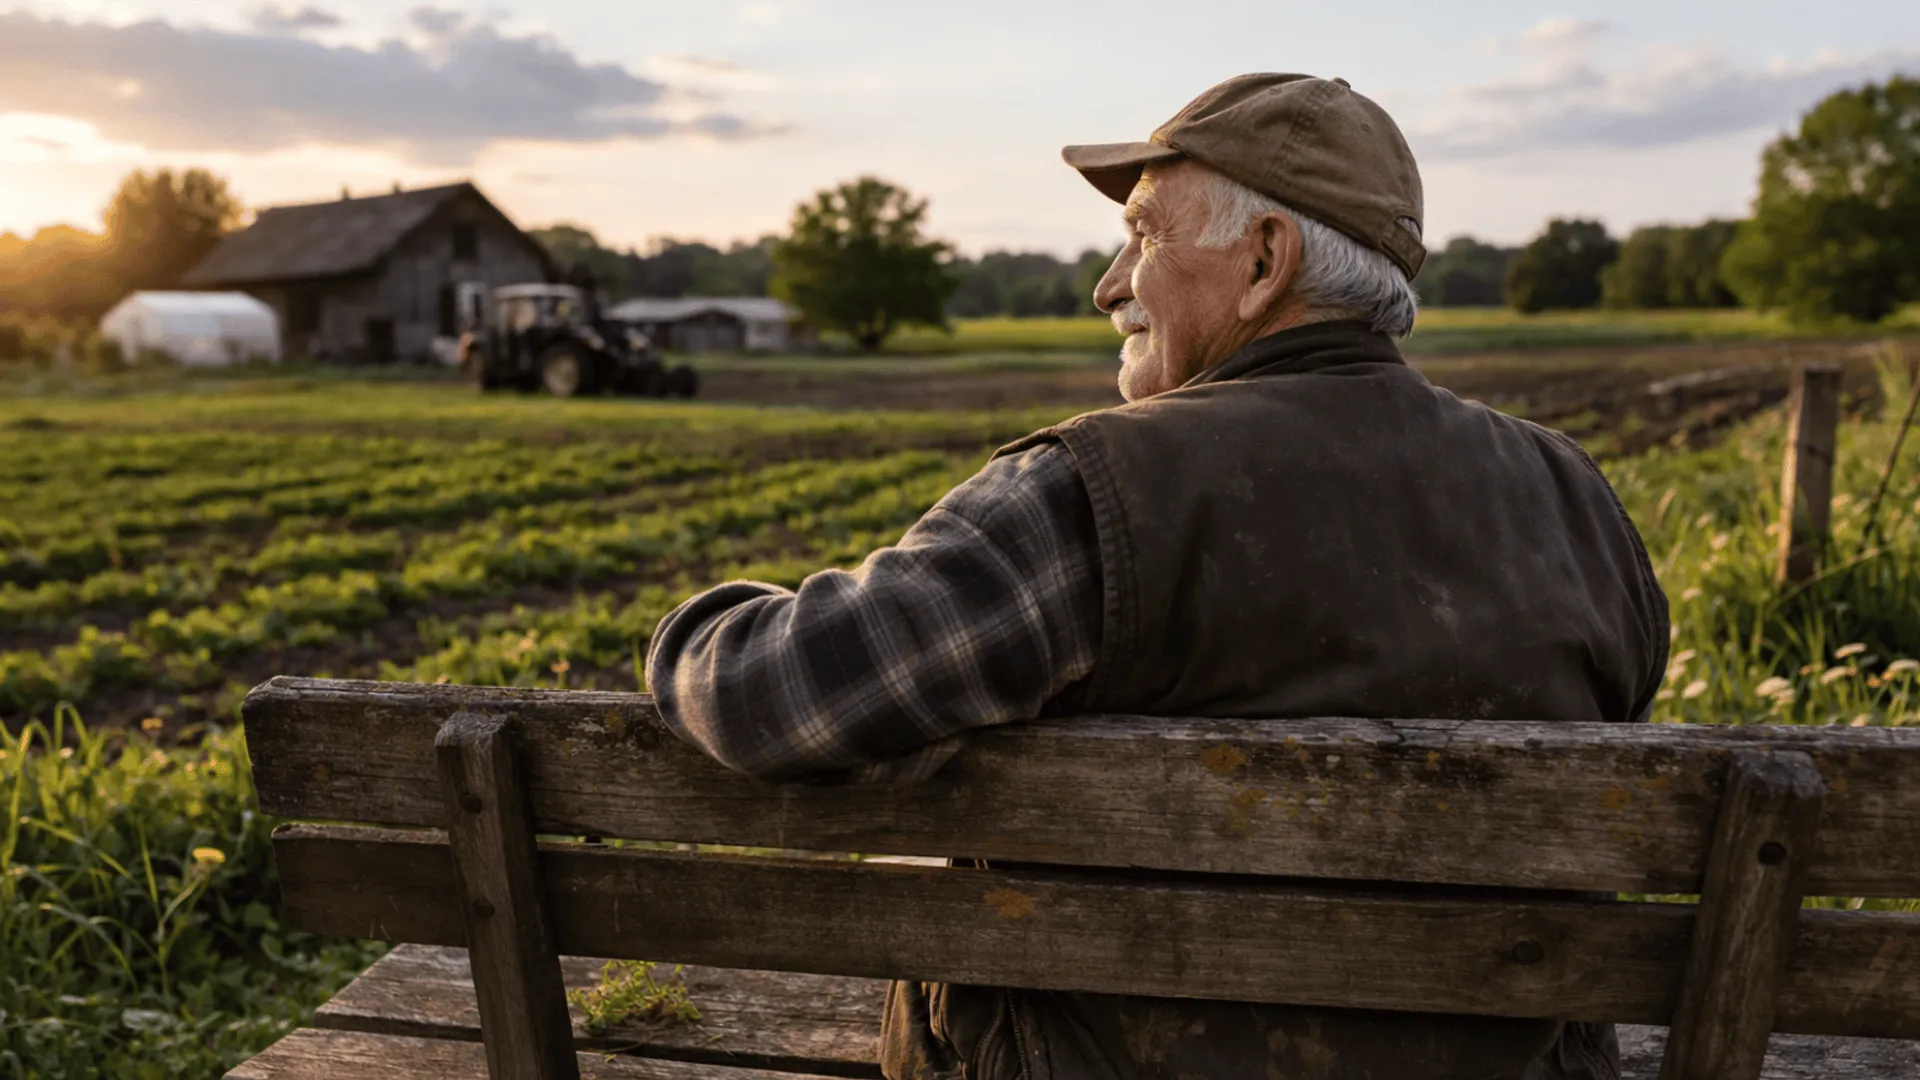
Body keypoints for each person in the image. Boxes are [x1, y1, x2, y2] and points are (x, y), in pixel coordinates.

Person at [647, 73, 1668, 1080]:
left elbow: (772, 696)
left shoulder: (1093, 497)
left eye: (1145, 234)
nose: (1108, 283)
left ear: (1266, 259)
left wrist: (695, 627)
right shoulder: (1576, 502)